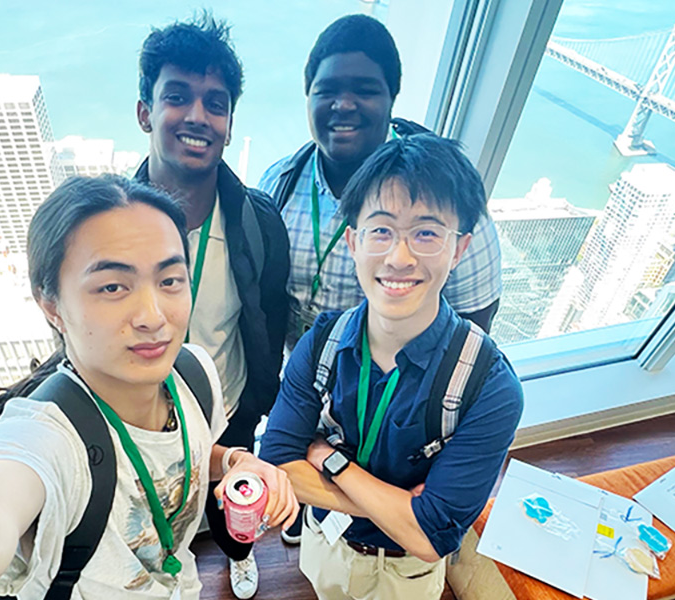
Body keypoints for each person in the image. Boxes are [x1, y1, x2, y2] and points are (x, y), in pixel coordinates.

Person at [0, 175, 299, 600]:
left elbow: (185, 452)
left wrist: (233, 460)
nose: (154, 316)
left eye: (170, 279)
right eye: (113, 287)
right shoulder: (50, 438)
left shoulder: (194, 375)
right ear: (51, 305)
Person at [259, 134, 523, 600]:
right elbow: (279, 463)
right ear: (353, 242)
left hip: (407, 577)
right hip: (326, 543)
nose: (399, 258)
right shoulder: (321, 343)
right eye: (381, 230)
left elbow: (431, 539)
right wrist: (403, 509)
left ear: (458, 248)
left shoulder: (489, 386)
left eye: (426, 233)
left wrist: (327, 459)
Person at [132, 14, 291, 599]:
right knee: (150, 516)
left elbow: (266, 321)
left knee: (233, 507)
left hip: (228, 409)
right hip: (143, 421)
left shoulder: (258, 224)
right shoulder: (112, 231)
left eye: (215, 103)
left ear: (228, 124)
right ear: (145, 112)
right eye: (177, 97)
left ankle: (237, 551)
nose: (197, 116)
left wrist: (259, 404)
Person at [258, 14, 502, 355]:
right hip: (299, 383)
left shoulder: (448, 198)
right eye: (326, 91)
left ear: (392, 98)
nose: (343, 105)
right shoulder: (278, 185)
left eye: (364, 90)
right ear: (308, 97)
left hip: (393, 394)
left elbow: (474, 325)